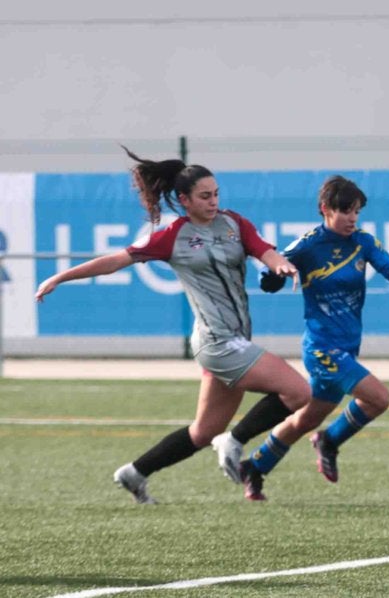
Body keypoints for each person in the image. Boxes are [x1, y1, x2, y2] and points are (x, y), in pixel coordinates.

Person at [34, 146, 313, 504]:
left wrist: (280, 264)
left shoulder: (233, 224)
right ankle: (234, 440)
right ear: (184, 200)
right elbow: (116, 261)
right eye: (204, 196)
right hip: (218, 342)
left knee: (202, 431)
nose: (213, 201)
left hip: (235, 339)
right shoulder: (172, 236)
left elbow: (264, 249)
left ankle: (135, 472)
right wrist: (60, 277)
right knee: (299, 392)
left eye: (216, 194)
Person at [211, 175, 389, 501]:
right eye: (345, 211)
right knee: (378, 398)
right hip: (322, 348)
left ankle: (255, 467)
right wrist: (271, 278)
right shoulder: (309, 244)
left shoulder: (363, 242)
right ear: (325, 209)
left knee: (304, 419)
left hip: (348, 349)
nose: (352, 218)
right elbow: (273, 265)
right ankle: (329, 440)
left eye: (356, 212)